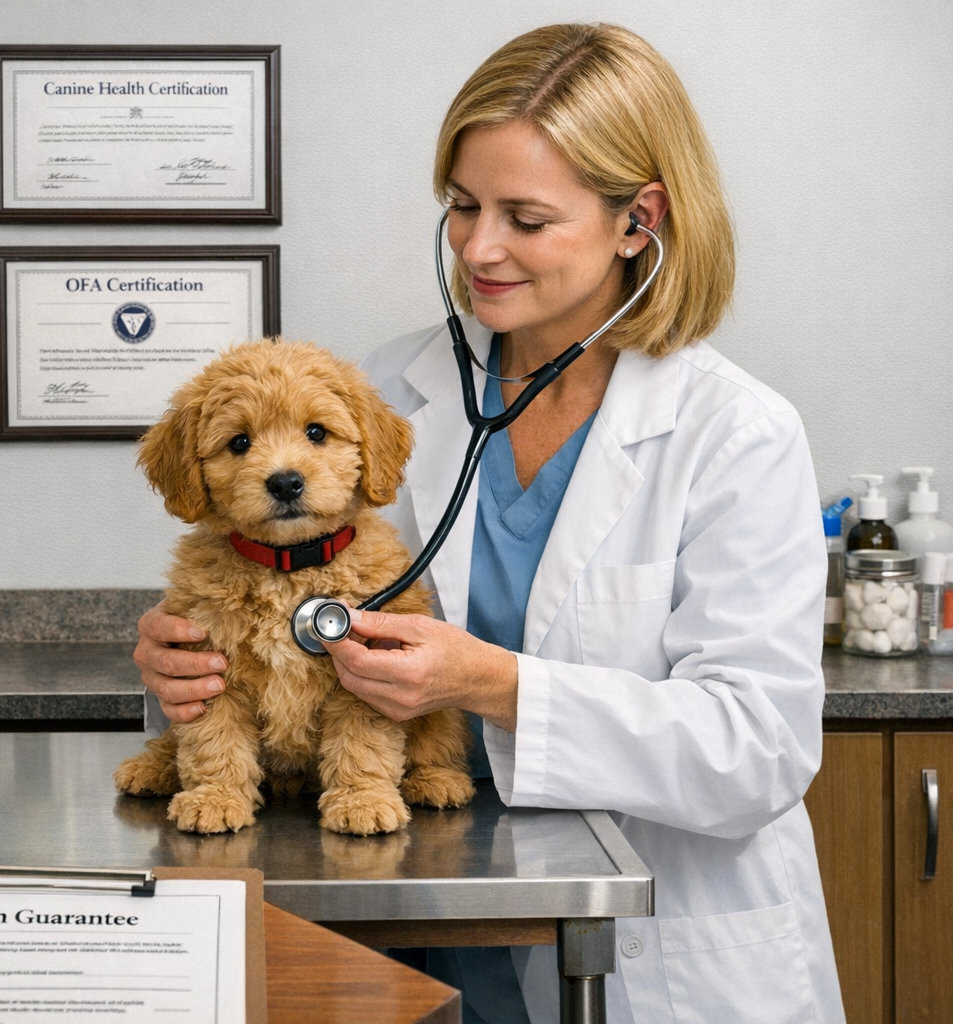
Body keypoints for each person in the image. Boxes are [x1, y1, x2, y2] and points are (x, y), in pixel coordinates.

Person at [133, 22, 844, 1024]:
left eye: (526, 216)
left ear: (639, 217)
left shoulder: (734, 433)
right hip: (408, 918)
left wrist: (490, 683)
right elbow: (273, 625)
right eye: (463, 207)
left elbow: (755, 749)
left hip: (646, 942)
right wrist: (179, 669)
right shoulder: (381, 388)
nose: (479, 247)